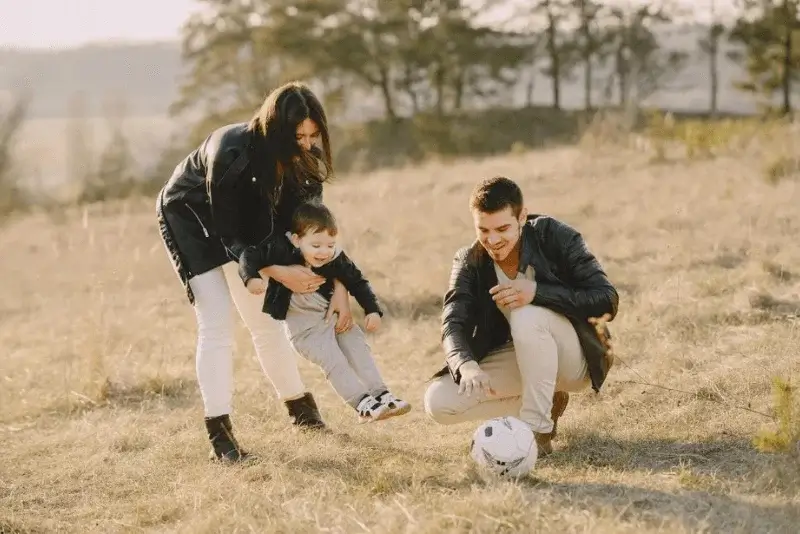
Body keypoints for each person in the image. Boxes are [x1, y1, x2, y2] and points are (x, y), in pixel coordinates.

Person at [156, 81, 354, 463]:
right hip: (193, 216)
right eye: (299, 136)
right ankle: (221, 436)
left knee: (265, 319)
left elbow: (309, 234)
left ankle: (302, 411)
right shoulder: (229, 151)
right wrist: (275, 269)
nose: (308, 145)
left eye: (315, 135)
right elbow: (228, 231)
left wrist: (338, 284)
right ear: (277, 131)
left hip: (246, 229)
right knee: (215, 321)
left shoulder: (307, 165)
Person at [423, 176, 618, 456]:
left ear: (522, 216)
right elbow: (453, 322)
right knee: (439, 402)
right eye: (483, 230)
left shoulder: (554, 235)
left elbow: (607, 299)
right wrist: (466, 364)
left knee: (526, 314)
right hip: (520, 354)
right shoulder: (469, 260)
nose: (492, 240)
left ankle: (535, 432)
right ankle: (545, 403)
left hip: (575, 357)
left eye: (502, 228)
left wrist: (537, 292)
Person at [245, 202, 412, 423]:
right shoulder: (280, 252)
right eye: (316, 246)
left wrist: (372, 310)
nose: (324, 252)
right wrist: (251, 278)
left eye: (330, 245)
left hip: (333, 319)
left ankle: (381, 394)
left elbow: (358, 281)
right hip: (306, 331)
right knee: (335, 361)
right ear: (296, 240)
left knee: (358, 349)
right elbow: (249, 255)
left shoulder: (335, 258)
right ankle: (362, 404)